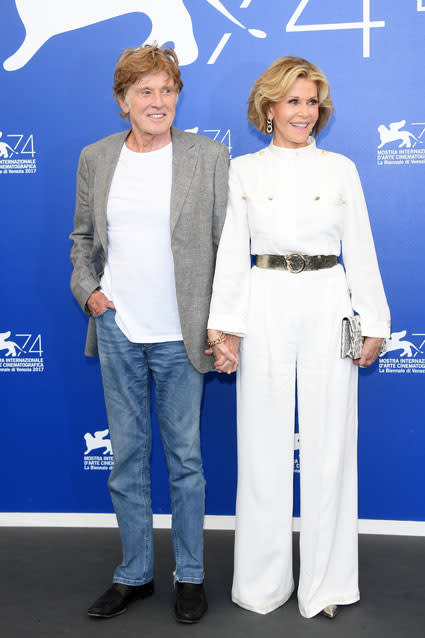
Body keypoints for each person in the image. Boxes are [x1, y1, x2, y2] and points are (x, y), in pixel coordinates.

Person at [207, 56, 390, 619]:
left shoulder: (342, 170)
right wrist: (223, 330)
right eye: (293, 101)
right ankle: (262, 584)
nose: (304, 113)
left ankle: (326, 585)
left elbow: (359, 249)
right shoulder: (243, 171)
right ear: (269, 108)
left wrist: (374, 322)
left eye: (312, 102)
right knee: (261, 446)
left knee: (331, 442)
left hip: (329, 303)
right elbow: (232, 256)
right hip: (263, 300)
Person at [70, 43, 229, 623]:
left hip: (181, 333)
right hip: (117, 328)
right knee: (128, 458)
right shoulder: (96, 157)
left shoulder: (208, 157)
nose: (157, 101)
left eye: (167, 90)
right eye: (145, 92)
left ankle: (190, 576)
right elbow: (83, 238)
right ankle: (134, 574)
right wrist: (89, 292)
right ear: (123, 101)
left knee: (185, 460)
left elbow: (226, 249)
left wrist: (223, 327)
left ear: (177, 96)